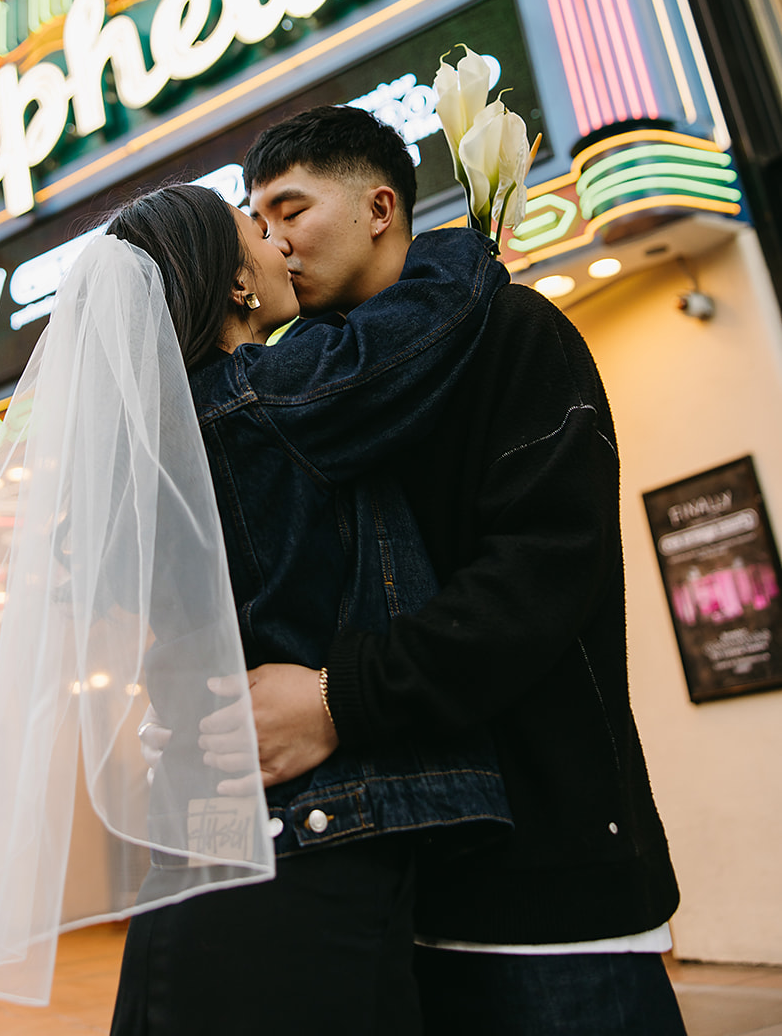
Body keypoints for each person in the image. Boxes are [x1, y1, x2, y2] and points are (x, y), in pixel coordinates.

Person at [199, 103, 685, 1036]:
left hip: (547, 878)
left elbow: (542, 577)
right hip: (387, 879)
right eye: (257, 222)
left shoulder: (512, 331)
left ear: (380, 207)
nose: (272, 240)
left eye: (289, 208)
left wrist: (343, 697)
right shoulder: (309, 386)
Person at [106, 183, 512, 1036]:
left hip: (211, 857)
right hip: (292, 858)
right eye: (255, 228)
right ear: (236, 285)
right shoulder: (258, 398)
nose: (278, 241)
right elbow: (434, 317)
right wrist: (449, 237)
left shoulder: (164, 433)